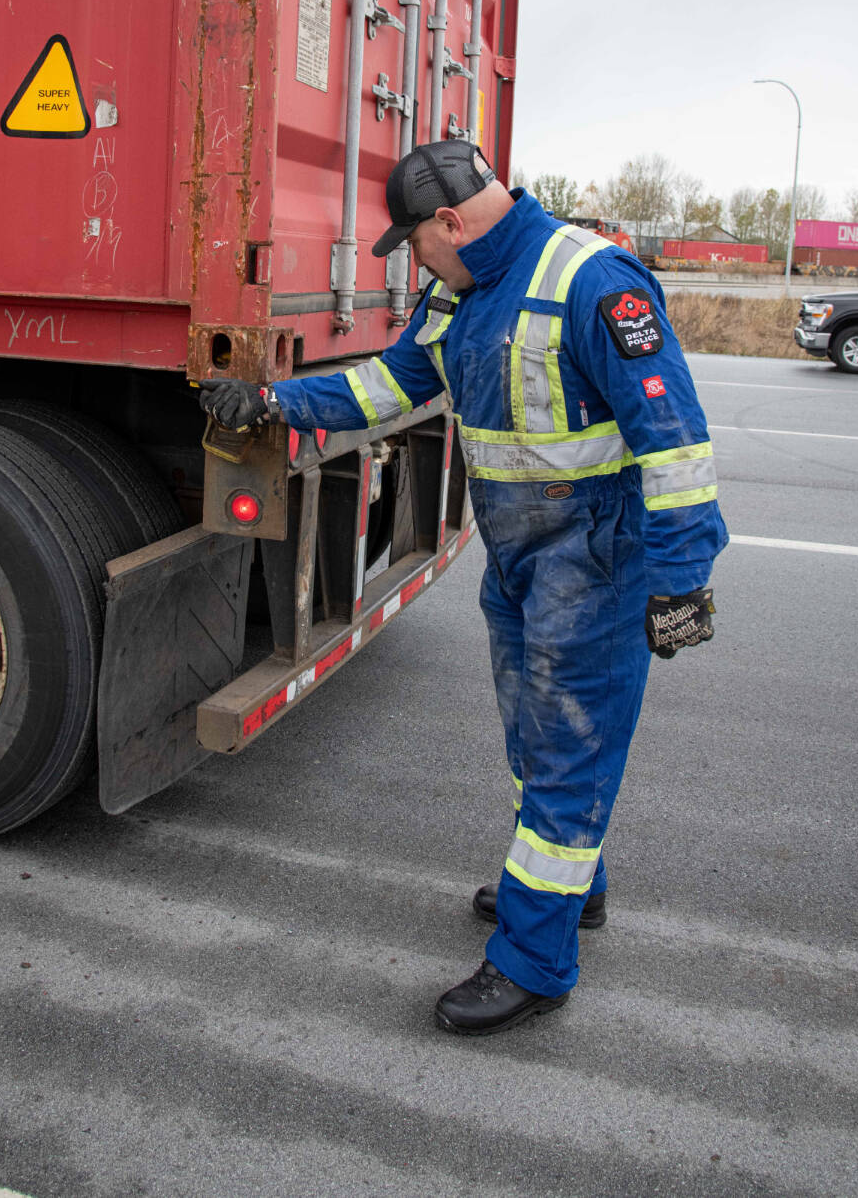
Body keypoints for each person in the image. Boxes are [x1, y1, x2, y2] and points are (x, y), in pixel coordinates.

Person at [199, 139, 727, 1036]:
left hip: (595, 559)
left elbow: (674, 441)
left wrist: (680, 583)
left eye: (415, 240)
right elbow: (393, 384)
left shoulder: (594, 281)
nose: (413, 259)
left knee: (565, 752)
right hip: (520, 557)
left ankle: (534, 962)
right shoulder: (458, 291)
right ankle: (572, 892)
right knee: (534, 737)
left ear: (452, 221)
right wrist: (278, 403)